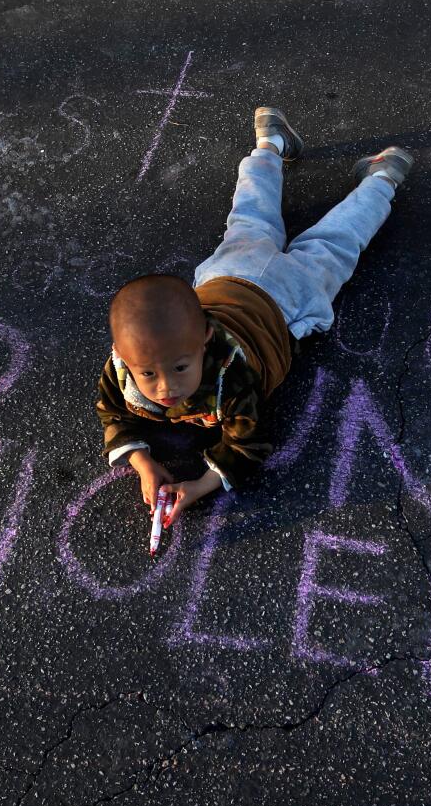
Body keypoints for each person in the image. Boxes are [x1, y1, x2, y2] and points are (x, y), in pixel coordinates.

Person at [98, 106, 414, 514]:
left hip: (286, 295)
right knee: (250, 212)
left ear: (206, 339)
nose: (165, 388)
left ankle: (384, 177)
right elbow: (111, 408)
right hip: (228, 272)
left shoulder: (230, 372)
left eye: (180, 367)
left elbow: (247, 441)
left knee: (335, 243)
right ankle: (269, 142)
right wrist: (142, 463)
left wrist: (202, 483)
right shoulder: (123, 369)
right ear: (122, 357)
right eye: (148, 374)